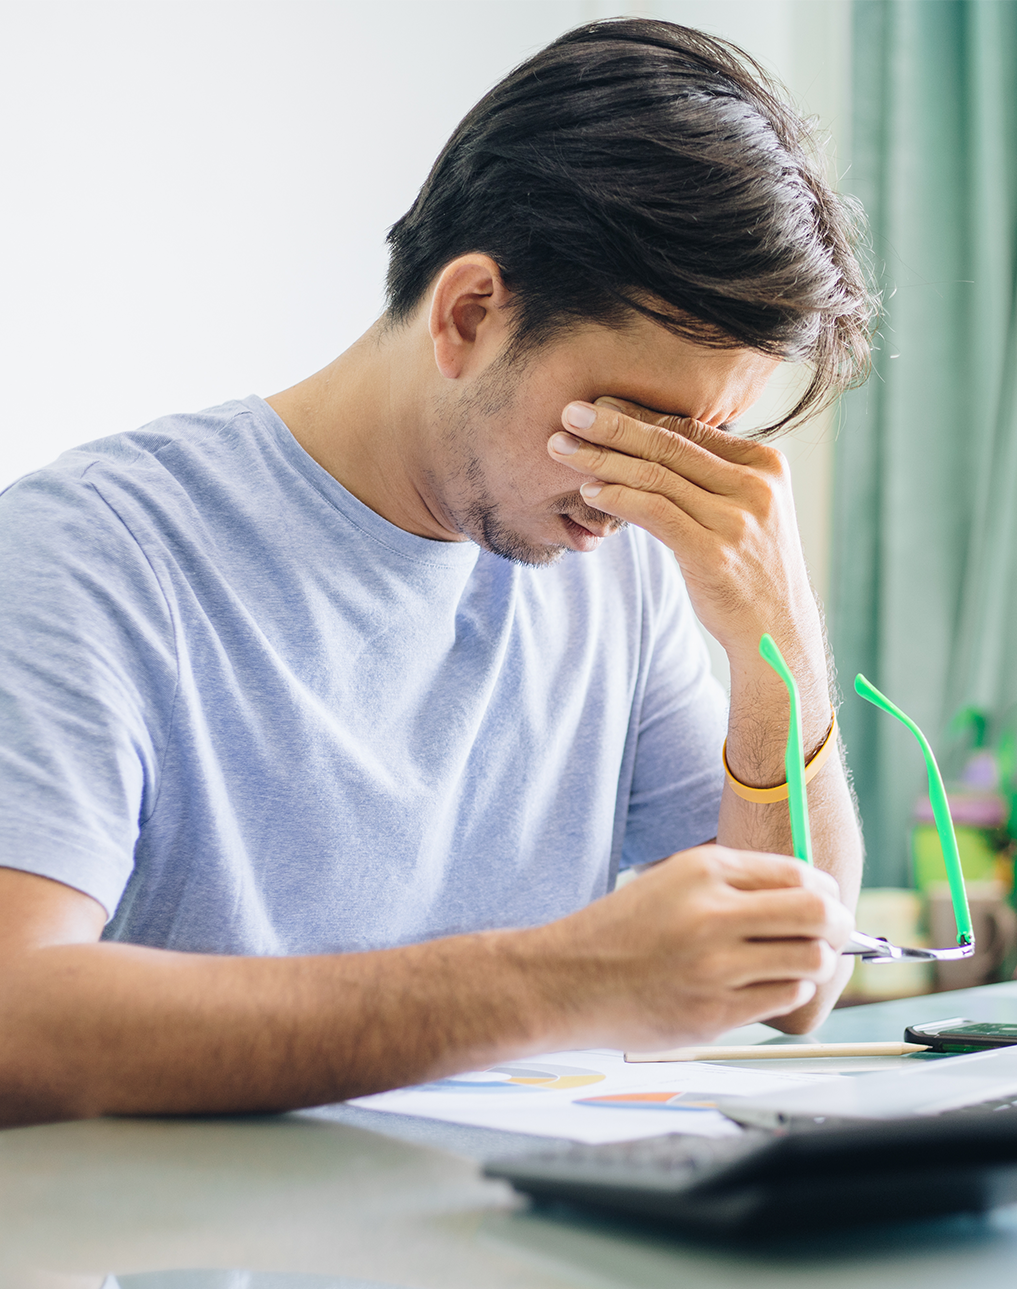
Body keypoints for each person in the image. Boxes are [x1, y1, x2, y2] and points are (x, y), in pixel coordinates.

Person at [0, 18, 876, 1126]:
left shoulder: (617, 570)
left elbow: (798, 982)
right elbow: (15, 1020)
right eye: (633, 422)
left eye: (703, 442)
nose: (644, 488)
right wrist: (562, 979)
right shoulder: (93, 554)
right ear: (469, 314)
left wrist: (777, 636)